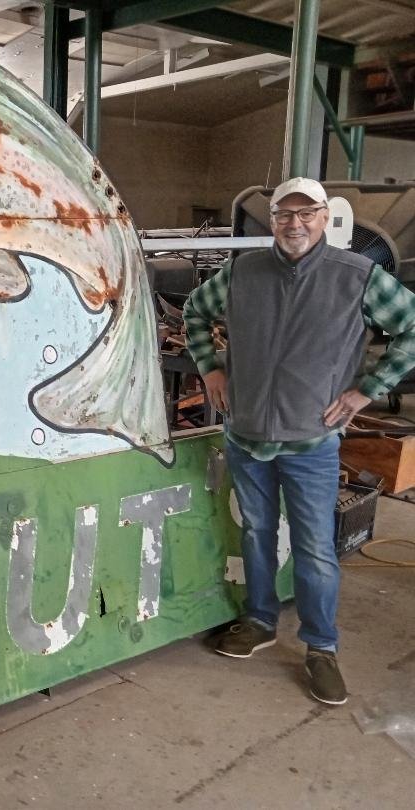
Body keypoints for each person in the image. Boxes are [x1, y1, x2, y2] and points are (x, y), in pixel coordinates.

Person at [183, 177, 415, 706]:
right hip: (245, 435)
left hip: (311, 441)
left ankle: (321, 648)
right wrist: (211, 370)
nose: (294, 223)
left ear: (324, 217)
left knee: (314, 548)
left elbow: (412, 327)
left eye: (306, 213)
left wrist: (368, 391)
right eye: (285, 214)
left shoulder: (357, 277)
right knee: (257, 531)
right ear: (274, 220)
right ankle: (260, 620)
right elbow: (196, 313)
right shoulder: (242, 272)